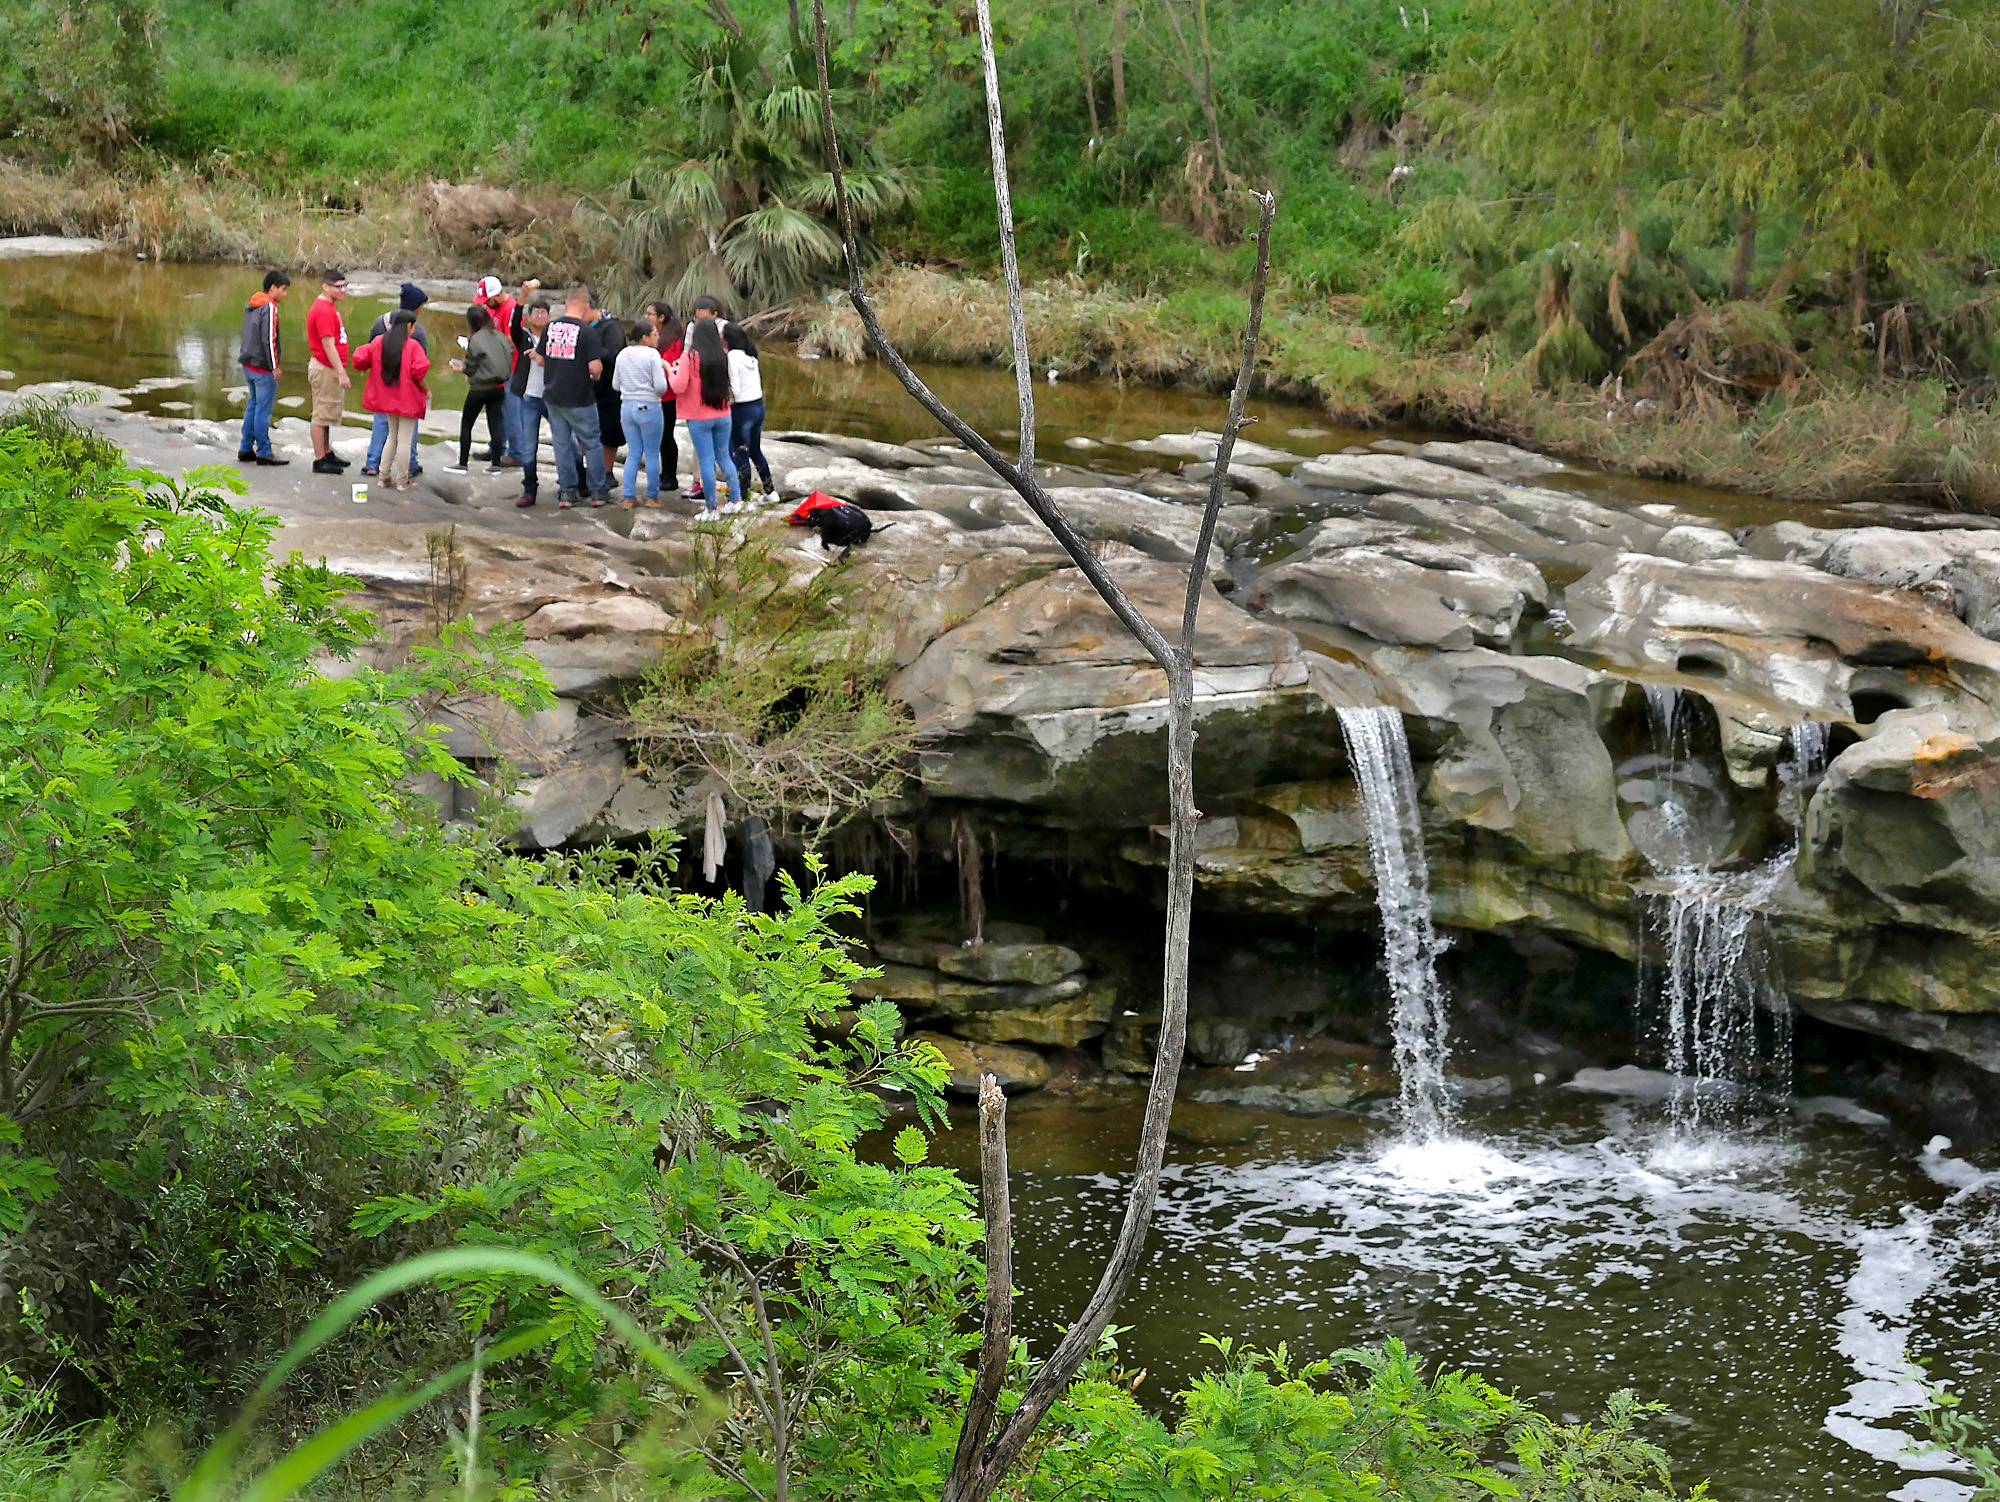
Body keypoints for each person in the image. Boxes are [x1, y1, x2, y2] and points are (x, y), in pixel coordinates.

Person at [537, 286, 609, 509]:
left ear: (566, 303)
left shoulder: (550, 327)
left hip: (553, 394)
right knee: (592, 443)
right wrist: (593, 375)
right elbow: (595, 368)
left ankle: (567, 493)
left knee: (561, 444)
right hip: (580, 396)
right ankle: (598, 492)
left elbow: (540, 359)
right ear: (587, 306)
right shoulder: (588, 332)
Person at [351, 310, 431, 491]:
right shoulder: (413, 346)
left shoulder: (379, 341)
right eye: (414, 326)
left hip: (387, 398)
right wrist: (427, 390)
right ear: (409, 326)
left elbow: (359, 359)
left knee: (392, 436)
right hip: (408, 399)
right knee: (404, 440)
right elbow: (418, 373)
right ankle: (402, 481)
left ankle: (383, 476)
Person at [362, 283, 429, 479]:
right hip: (406, 390)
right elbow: (420, 366)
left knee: (381, 423)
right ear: (415, 307)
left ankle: (373, 464)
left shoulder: (380, 322)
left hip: (382, 384)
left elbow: (369, 351)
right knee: (408, 432)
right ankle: (410, 465)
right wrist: (425, 390)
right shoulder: (416, 332)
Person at [669, 316, 734, 512]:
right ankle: (736, 501)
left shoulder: (688, 357)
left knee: (706, 461)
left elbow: (678, 387)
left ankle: (711, 508)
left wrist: (669, 371)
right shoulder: (723, 354)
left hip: (699, 417)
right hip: (723, 414)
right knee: (724, 458)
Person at [445, 306, 512, 474]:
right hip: (499, 388)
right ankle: (495, 465)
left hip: (480, 388)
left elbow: (471, 365)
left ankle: (462, 464)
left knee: (467, 424)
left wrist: (461, 368)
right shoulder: (500, 336)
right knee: (495, 425)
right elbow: (508, 357)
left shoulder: (476, 339)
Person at [236, 269, 291, 466]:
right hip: (262, 367)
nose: (284, 294)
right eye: (283, 289)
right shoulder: (269, 306)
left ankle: (245, 447)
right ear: (273, 288)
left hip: (248, 363)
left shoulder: (252, 303)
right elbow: (269, 339)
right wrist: (275, 367)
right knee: (263, 409)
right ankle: (264, 451)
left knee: (253, 405)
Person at [612, 322, 670, 507]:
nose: (657, 337)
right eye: (654, 334)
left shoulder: (622, 353)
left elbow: (615, 384)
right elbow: (660, 387)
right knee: (652, 453)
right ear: (644, 337)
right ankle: (652, 496)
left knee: (633, 452)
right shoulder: (653, 355)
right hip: (649, 406)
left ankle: (628, 496)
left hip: (627, 406)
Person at [474, 274, 527, 467]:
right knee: (496, 408)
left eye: (487, 300)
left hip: (509, 367)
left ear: (496, 296)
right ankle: (497, 446)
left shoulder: (511, 309)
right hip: (494, 366)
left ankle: (517, 452)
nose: (486, 304)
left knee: (511, 409)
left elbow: (513, 340)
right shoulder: (491, 308)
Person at [304, 269, 351, 474]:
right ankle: (320, 459)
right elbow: (328, 345)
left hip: (328, 366)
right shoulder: (323, 310)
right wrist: (341, 372)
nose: (343, 290)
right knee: (321, 414)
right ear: (325, 286)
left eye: (344, 286)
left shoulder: (329, 307)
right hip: (325, 367)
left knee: (327, 413)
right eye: (338, 287)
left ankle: (327, 452)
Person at [509, 298, 553, 509]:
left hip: (553, 397)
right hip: (529, 397)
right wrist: (521, 299)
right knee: (528, 447)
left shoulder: (555, 336)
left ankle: (575, 483)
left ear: (550, 316)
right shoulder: (524, 337)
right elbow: (513, 327)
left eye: (543, 312)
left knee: (569, 443)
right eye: (535, 312)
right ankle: (529, 490)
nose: (539, 316)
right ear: (529, 316)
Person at [723, 321, 771, 502]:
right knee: (755, 451)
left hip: (742, 410)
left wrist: (728, 403)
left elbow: (734, 385)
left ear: (727, 339)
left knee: (740, 452)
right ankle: (769, 490)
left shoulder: (733, 357)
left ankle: (743, 495)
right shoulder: (750, 355)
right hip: (758, 406)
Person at [644, 299, 682, 493]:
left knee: (666, 435)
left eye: (649, 314)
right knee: (661, 436)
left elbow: (669, 367)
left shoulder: (672, 340)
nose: (646, 317)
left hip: (667, 396)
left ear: (661, 317)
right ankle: (665, 473)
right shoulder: (661, 336)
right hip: (657, 394)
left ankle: (670, 476)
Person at [590, 297, 626, 484]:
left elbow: (615, 353)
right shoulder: (582, 326)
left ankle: (607, 471)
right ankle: (587, 470)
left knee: (609, 432)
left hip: (610, 387)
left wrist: (592, 353)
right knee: (586, 431)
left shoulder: (611, 327)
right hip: (587, 389)